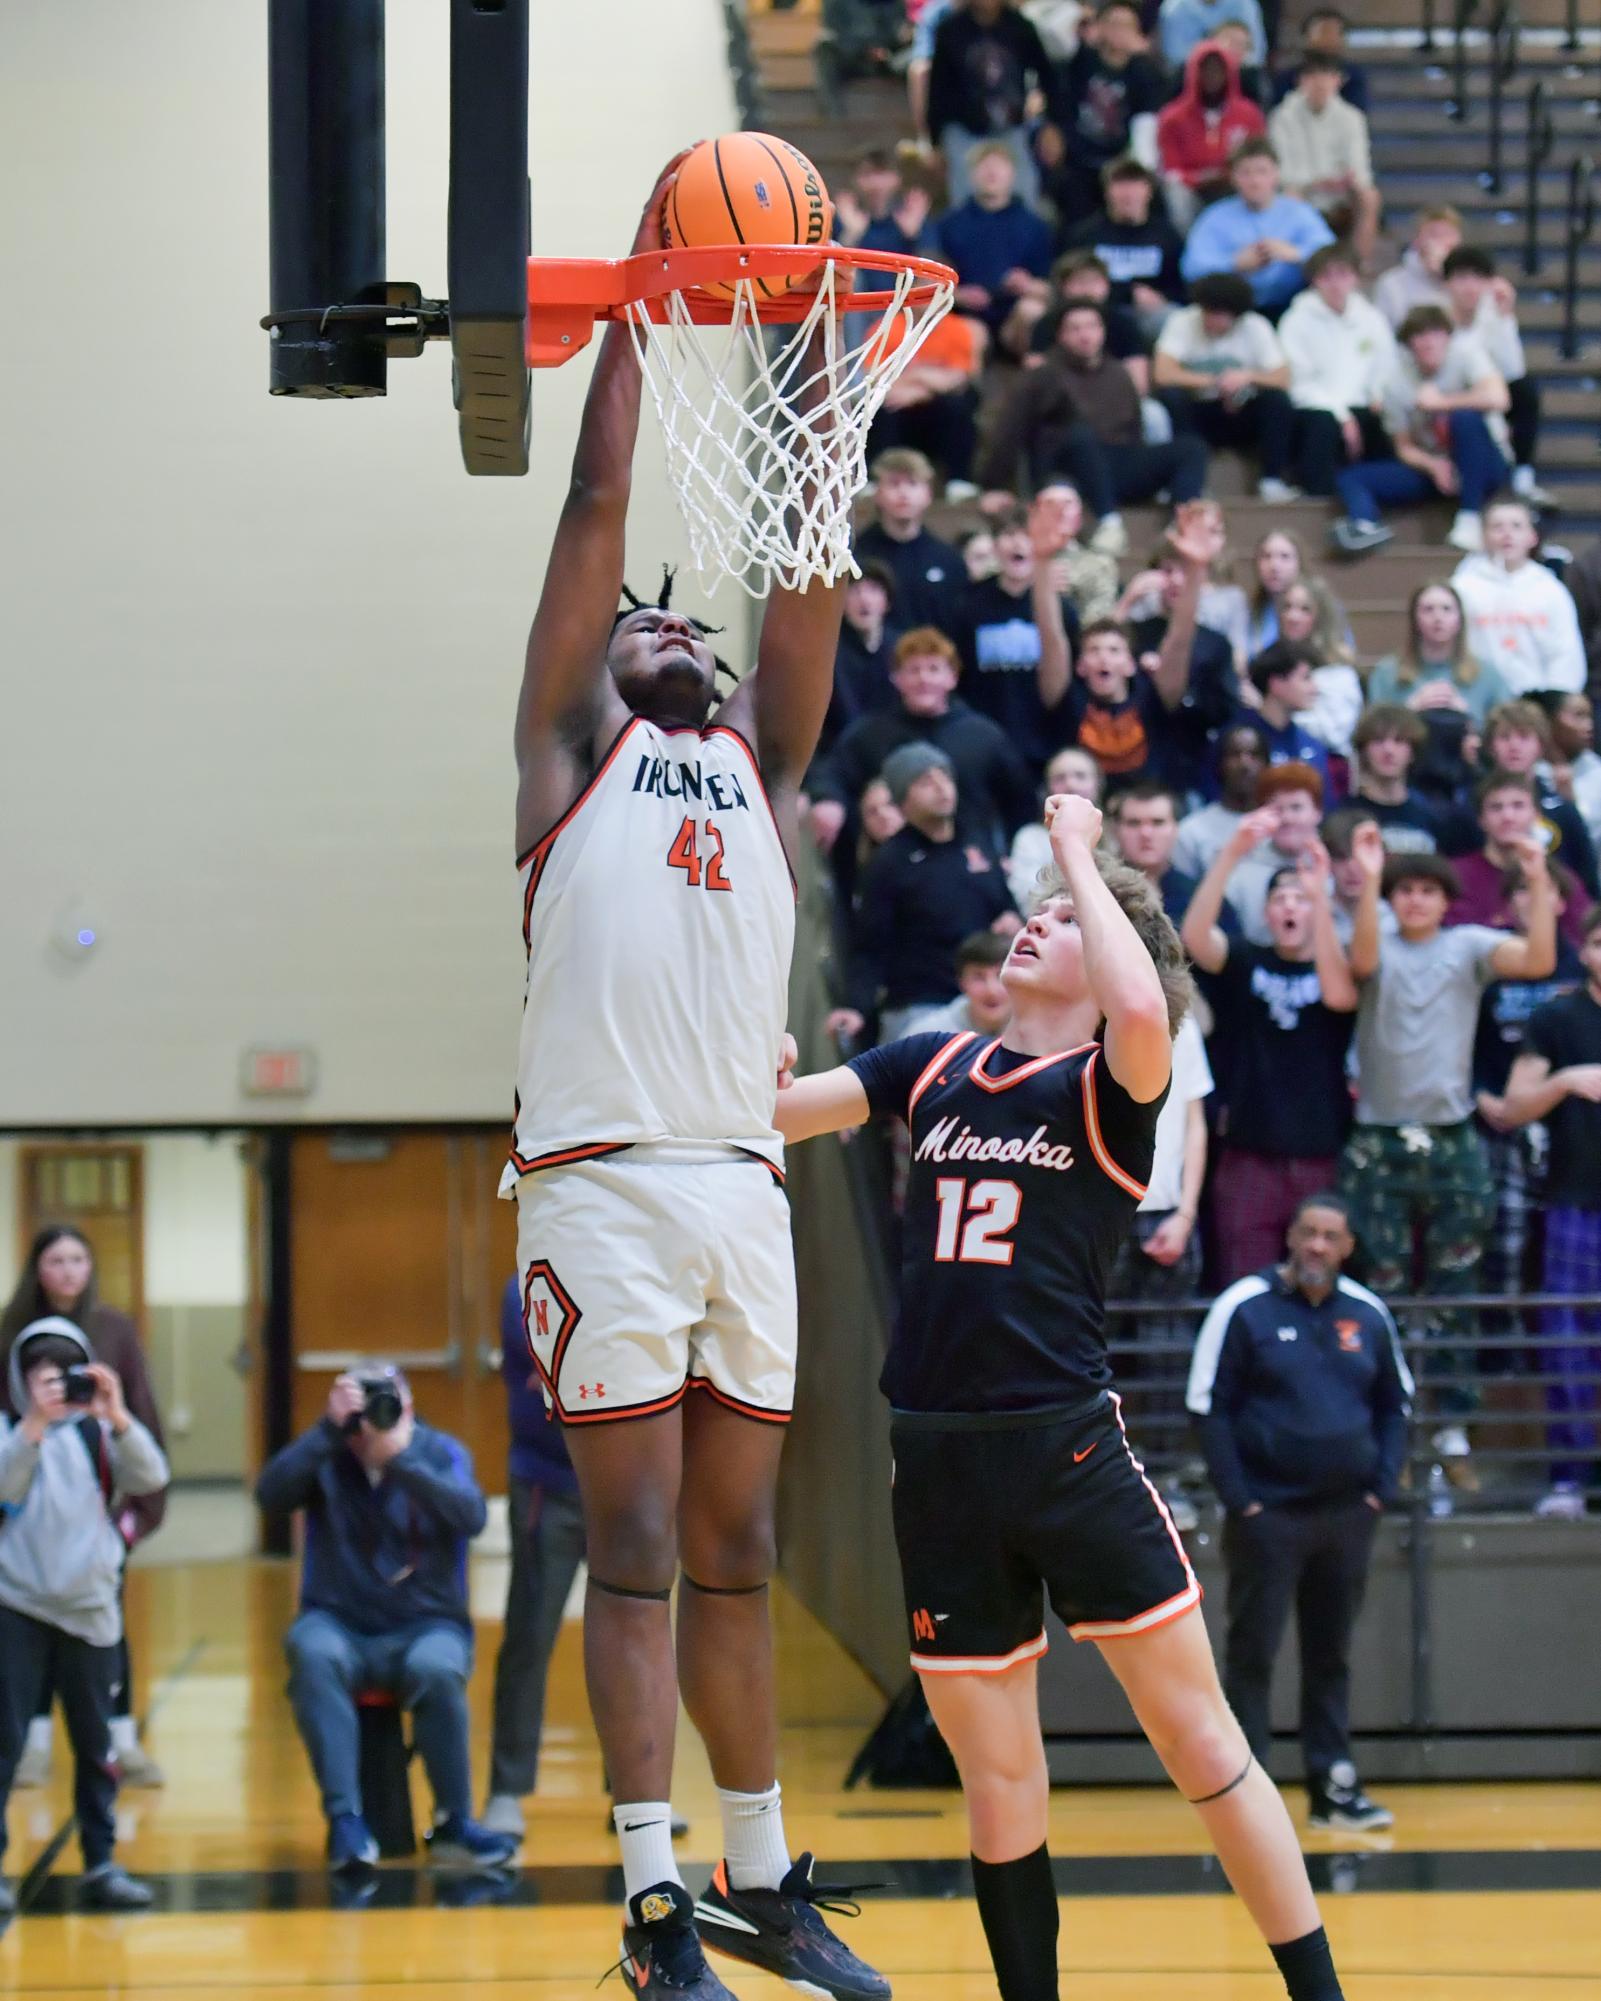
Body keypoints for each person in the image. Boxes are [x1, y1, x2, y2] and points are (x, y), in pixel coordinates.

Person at [502, 157, 886, 2001]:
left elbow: (806, 544)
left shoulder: (768, 767)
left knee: (735, 1550)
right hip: (601, 1181)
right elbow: (595, 507)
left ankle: (758, 1874)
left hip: (743, 1182)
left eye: (686, 621)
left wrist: (807, 326)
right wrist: (647, 313)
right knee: (638, 1540)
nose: (670, 622)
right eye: (643, 621)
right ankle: (651, 1905)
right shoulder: (560, 756)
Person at [775, 795, 1357, 2001]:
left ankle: (1317, 1992)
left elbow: (1145, 1002)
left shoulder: (1112, 1080)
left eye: (1060, 920)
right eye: (1033, 910)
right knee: (997, 1778)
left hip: (1065, 1450)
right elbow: (778, 1117)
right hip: (933, 1460)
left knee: (1201, 1748)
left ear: (1106, 967)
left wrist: (1083, 855)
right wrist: (762, 1073)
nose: (1034, 926)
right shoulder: (933, 1062)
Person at [1335, 826, 1556, 1493]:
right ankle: (1390, 1427)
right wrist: (1369, 876)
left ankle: (1453, 1430)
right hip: (1378, 1139)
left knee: (1456, 1290)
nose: (1416, 901)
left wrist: (1537, 873)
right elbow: (1363, 964)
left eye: (1428, 890)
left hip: (1452, 1135)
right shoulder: (1372, 935)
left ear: (1446, 899)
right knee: (1382, 1291)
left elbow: (1541, 959)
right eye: (1405, 890)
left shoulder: (1468, 946)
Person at [1187, 1195, 1410, 1830]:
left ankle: (1332, 1788)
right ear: (1289, 1237)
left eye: (1330, 1236)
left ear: (1346, 1247)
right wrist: (1243, 1502)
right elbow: (1208, 1407)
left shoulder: (1368, 1313)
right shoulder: (1243, 1307)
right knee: (1252, 1652)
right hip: (1269, 1517)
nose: (1316, 1246)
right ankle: (1242, 1796)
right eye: (1307, 1233)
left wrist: (1379, 1491)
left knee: (1331, 1652)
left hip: (1346, 1516)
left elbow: (1398, 1405)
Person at [256, 1365, 512, 1872]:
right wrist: (328, 1431)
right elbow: (270, 1496)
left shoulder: (440, 1452)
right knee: (311, 1651)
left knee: (438, 1670)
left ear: (409, 1410)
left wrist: (402, 1460)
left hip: (427, 1625)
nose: (371, 1422)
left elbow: (472, 1516)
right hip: (340, 1623)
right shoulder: (328, 1455)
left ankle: (453, 1819)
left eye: (386, 1406)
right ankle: (346, 1821)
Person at [0, 1320, 169, 1915]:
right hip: (17, 1604)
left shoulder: (101, 1433)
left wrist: (118, 1415)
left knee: (98, 1744)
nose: (55, 1385)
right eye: (40, 1373)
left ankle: (102, 1862)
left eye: (66, 1371)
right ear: (20, 1379)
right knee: (5, 1740)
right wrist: (34, 1427)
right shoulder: (10, 1433)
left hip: (91, 1609)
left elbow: (151, 1478)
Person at [0, 1226, 167, 1790]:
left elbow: (140, 1427)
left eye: (79, 1258)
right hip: (27, 1515)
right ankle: (33, 1746)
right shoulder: (10, 1332)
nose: (69, 1271)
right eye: (56, 1260)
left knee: (104, 1634)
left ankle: (122, 1741)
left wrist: (133, 1522)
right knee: (29, 1640)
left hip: (96, 1518)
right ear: (37, 1269)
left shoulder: (114, 1329)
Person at [1182, 826, 1357, 1280]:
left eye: (1302, 898)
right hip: (1248, 1151)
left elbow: (1341, 998)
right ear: (1266, 912)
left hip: (1321, 1149)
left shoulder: (1336, 966)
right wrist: (1232, 853)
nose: (1291, 906)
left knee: (1318, 1279)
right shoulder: (1245, 959)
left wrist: (1322, 901)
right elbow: (1196, 937)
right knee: (1243, 1281)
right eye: (1281, 899)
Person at [975, 301, 1209, 558]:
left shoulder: (1118, 373)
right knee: (1081, 436)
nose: (1085, 335)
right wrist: (993, 484)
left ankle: (1182, 525)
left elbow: (1134, 430)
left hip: (1118, 463)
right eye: (1074, 329)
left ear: (1103, 331)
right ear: (1061, 335)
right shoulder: (1042, 375)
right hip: (1065, 470)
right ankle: (1109, 524)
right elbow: (1011, 429)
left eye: (1092, 326)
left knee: (1191, 447)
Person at [1504, 905, 1601, 1518]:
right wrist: (1565, 1081)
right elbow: (1513, 1106)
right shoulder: (1558, 1018)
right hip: (1575, 1200)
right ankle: (1570, 1476)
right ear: (1585, 950)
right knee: (1567, 1338)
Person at [483, 1277, 587, 1841]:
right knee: (529, 1637)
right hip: (548, 1486)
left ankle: (642, 1795)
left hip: (623, 1485)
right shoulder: (524, 1289)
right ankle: (506, 1787)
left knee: (636, 1635)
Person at [810, 626, 1039, 880]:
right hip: (895, 874)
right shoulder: (870, 734)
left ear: (952, 677)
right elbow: (834, 771)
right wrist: (827, 799)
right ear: (896, 678)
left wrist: (1010, 854)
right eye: (913, 670)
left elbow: (1020, 800)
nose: (923, 679)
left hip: (971, 871)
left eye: (933, 669)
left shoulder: (984, 735)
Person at [832, 744, 1022, 1045]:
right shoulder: (889, 862)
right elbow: (869, 946)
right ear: (902, 801)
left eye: (944, 776)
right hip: (920, 1002)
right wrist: (856, 1006)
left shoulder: (976, 839)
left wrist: (1012, 917)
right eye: (924, 782)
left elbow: (1003, 903)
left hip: (987, 994)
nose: (941, 787)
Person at [1332, 306, 1511, 558]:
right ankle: (1365, 525)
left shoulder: (1467, 356)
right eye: (1419, 335)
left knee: (1465, 418)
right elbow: (1403, 446)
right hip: (1435, 466)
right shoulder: (1396, 382)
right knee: (1351, 477)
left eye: (1435, 333)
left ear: (1447, 336)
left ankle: (1470, 516)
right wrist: (1433, 465)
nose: (1428, 342)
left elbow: (1499, 398)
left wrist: (1442, 403)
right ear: (1409, 344)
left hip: (1483, 463)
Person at [1060, 507, 1211, 780]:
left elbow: (1178, 641)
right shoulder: (1072, 699)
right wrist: (1126, 602)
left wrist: (1196, 570)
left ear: (1131, 664)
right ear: (1081, 665)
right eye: (1094, 652)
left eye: (1114, 651)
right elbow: (1058, 643)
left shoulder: (1149, 696)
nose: (1104, 658)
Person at [949, 498, 1078, 768]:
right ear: (995, 545)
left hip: (1044, 740)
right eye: (1009, 535)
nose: (1019, 544)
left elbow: (1069, 681)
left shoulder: (1060, 608)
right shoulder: (968, 604)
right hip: (984, 737)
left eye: (1027, 536)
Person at [1152, 273, 1298, 502]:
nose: (1214, 321)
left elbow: (1283, 377)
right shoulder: (1183, 321)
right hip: (1198, 414)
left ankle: (1271, 480)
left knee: (1277, 400)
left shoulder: (1256, 326)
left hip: (1240, 412)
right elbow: (1163, 373)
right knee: (1171, 396)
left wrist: (1247, 377)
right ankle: (1190, 483)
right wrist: (1215, 381)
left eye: (1222, 315)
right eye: (1209, 313)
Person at [1277, 242, 1394, 498]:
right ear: (1314, 281)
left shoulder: (1372, 318)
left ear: (1355, 277)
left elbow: (1385, 366)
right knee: (1322, 424)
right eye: (1326, 276)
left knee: (1387, 422)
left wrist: (1377, 394)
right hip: (1317, 408)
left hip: (1362, 406)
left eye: (1342, 274)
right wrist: (1341, 415)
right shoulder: (1296, 321)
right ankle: (1318, 494)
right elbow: (1300, 382)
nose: (1335, 283)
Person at [1441, 247, 1551, 510]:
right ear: (1447, 283)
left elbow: (1513, 370)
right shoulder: (1435, 318)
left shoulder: (1495, 316)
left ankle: (1523, 474)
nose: (1469, 286)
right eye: (1461, 277)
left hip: (1490, 398)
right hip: (1450, 401)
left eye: (1477, 277)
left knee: (1524, 389)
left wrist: (1504, 318)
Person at [1045, 4, 1170, 227]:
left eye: (1126, 26)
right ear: (1100, 27)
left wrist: (1136, 171)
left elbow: (1146, 129)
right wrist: (1080, 14)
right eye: (1113, 24)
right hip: (1078, 161)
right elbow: (1052, 35)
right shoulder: (1081, 58)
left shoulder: (1145, 71)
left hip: (1119, 162)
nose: (1119, 31)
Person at [1451, 494, 1587, 698]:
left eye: (1516, 526)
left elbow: (1565, 654)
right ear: (1483, 536)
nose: (1507, 534)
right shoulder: (1462, 587)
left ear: (1533, 536)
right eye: (1497, 527)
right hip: (1477, 699)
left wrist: (1554, 702)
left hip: (1537, 703)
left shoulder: (1550, 589)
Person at [1180, 140, 1335, 319]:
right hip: (1233, 310)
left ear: (1276, 174)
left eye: (1262, 172)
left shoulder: (1299, 212)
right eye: (1245, 173)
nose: (1254, 181)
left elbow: (1331, 254)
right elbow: (1191, 268)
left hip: (1290, 306)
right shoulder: (1215, 217)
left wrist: (1295, 253)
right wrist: (1234, 264)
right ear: (1233, 177)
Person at [1467, 700, 1600, 897]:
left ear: (1540, 746)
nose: (1514, 746)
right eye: (1504, 737)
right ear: (1490, 747)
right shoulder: (1471, 805)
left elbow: (1586, 877)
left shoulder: (1562, 809)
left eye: (1524, 737)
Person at [1446, 771, 1593, 947]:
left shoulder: (1559, 877)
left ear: (1536, 815)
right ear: (1481, 820)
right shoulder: (1454, 875)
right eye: (1496, 808)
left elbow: (1585, 935)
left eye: (1518, 806)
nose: (1508, 817)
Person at [928, 0, 1054, 205]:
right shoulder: (950, 30)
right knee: (966, 203)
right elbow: (937, 89)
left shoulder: (1020, 27)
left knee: (1024, 198)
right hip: (964, 130)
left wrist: (1051, 124)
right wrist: (935, 141)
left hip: (1011, 128)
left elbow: (1047, 76)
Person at [1266, 55, 1379, 266]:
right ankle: (1291, 262)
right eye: (1312, 76)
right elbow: (1282, 172)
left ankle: (1359, 264)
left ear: (1338, 81)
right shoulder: (1282, 117)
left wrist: (1348, 181)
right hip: (1301, 191)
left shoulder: (1352, 118)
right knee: (1291, 195)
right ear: (1300, 81)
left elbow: (1360, 167)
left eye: (1327, 76)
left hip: (1339, 193)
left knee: (1369, 197)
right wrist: (1317, 182)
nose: (1320, 83)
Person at [936, 143, 1054, 340]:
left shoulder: (1035, 225)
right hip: (963, 315)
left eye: (999, 165)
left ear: (1012, 173)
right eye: (984, 165)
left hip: (1014, 314)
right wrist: (960, 295)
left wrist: (1027, 284)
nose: (992, 171)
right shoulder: (949, 224)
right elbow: (932, 280)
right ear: (971, 174)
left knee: (1032, 311)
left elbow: (1049, 284)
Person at [1062, 158, 1185, 336]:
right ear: (1106, 191)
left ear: (1148, 191)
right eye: (1120, 185)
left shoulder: (1167, 235)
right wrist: (1129, 293)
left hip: (1151, 314)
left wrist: (1162, 298)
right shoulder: (1085, 235)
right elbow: (1070, 281)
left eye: (1135, 185)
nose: (1128, 194)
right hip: (1099, 312)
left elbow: (1180, 286)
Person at [1156, 40, 1266, 229]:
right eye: (1205, 70)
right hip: (1190, 188)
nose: (1212, 77)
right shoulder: (1172, 117)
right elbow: (1170, 168)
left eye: (1218, 70)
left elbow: (1258, 156)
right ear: (1193, 74)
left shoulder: (1249, 115)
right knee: (1175, 193)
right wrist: (1198, 179)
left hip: (1235, 184)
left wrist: (1231, 175)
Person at [855, 447, 965, 632]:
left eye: (912, 483)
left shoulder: (947, 560)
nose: (903, 493)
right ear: (877, 493)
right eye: (894, 483)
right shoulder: (858, 555)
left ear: (928, 494)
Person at [1214, 761, 1326, 942]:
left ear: (1318, 811)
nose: (1287, 818)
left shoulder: (1337, 865)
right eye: (1277, 810)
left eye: (1296, 807)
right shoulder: (1241, 874)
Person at [1272, 577, 1364, 762]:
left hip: (1326, 766)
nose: (1293, 617)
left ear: (1321, 617)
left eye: (1304, 609)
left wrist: (1275, 714)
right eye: (1287, 607)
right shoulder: (1270, 664)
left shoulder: (1339, 672)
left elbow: (1334, 734)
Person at [1173, 720, 1270, 877]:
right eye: (1234, 755)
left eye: (1254, 755)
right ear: (1220, 764)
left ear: (1267, 764)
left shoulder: (1286, 827)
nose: (1245, 764)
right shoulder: (1192, 831)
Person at [1009, 743, 1106, 897]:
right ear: (1047, 789)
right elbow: (1029, 896)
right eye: (1060, 778)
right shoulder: (1030, 838)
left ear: (1098, 784)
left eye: (1080, 776)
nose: (1070, 785)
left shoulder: (1117, 835)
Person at [1346, 705, 1441, 853]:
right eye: (1378, 740)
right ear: (1363, 751)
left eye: (1399, 741)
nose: (1389, 750)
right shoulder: (1345, 815)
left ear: (1413, 752)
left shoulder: (1431, 816)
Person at [1113, 781, 1201, 925]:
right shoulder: (1096, 892)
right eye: (1134, 823)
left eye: (1157, 822)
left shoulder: (1198, 897)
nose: (1146, 833)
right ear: (1116, 830)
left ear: (1176, 829)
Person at [1248, 644, 1332, 790]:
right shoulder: (1238, 743)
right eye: (1306, 678)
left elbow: (1325, 805)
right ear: (1276, 683)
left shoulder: (1311, 744)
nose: (1315, 689)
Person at [815, 0, 915, 116]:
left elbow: (898, 30)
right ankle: (833, 118)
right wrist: (865, 49)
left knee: (919, 56)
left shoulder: (894, 3)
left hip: (888, 59)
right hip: (852, 58)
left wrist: (886, 47)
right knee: (824, 47)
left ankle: (921, 121)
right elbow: (834, 31)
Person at [908, 929, 1016, 1036]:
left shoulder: (1032, 1034)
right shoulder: (926, 1036)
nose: (991, 990)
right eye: (978, 977)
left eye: (1001, 975)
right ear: (961, 982)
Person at [1373, 203, 1462, 328]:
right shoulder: (1390, 283)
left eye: (1447, 234)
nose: (1441, 242)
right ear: (1417, 240)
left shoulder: (1472, 282)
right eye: (1433, 234)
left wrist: (1444, 276)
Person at [1271, 9, 1370, 113]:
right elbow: (1278, 114)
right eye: (1323, 32)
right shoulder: (1287, 78)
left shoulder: (1354, 78)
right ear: (1305, 38)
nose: (1328, 39)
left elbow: (1357, 115)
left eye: (1334, 33)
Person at [1543, 689, 1601, 849]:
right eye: (1579, 715)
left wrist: (1570, 804)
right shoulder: (1528, 770)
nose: (1589, 726)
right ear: (1549, 721)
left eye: (1589, 716)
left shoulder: (1597, 772)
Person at [1160, 0, 1267, 70]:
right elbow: (1175, 58)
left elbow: (1256, 54)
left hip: (1238, 74)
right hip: (1190, 77)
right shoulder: (1174, 8)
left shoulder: (1244, 4)